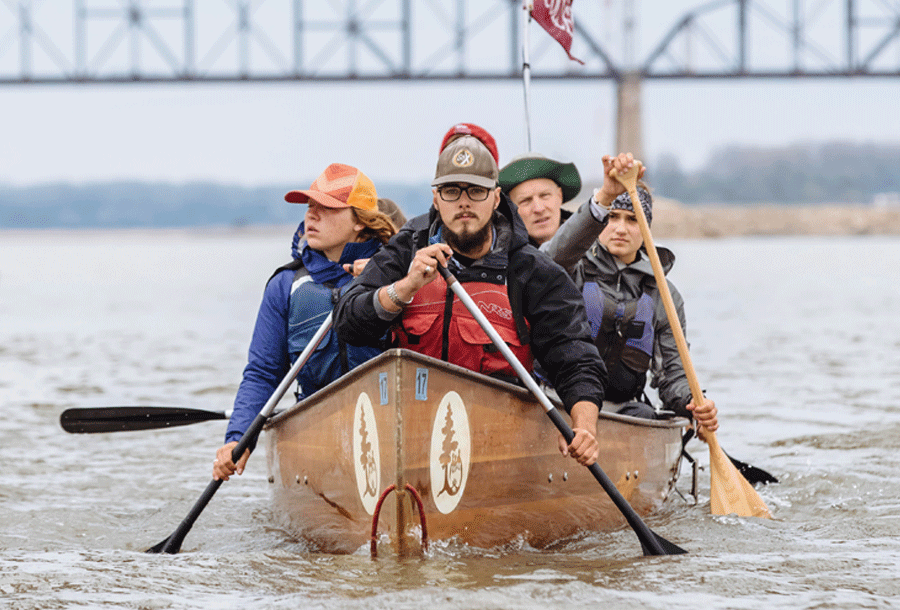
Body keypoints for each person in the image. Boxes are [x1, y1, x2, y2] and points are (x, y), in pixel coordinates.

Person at [334, 133, 609, 466]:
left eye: (476, 191)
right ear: (436, 199)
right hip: (410, 429)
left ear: (495, 198)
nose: (464, 202)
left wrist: (584, 429)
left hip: (496, 438)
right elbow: (348, 321)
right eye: (452, 191)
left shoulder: (531, 269)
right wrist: (405, 287)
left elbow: (576, 359)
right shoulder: (405, 249)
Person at [213, 163, 399, 481]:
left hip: (389, 425)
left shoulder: (398, 276)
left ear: (360, 222)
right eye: (310, 206)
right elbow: (263, 373)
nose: (311, 215)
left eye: (326, 207)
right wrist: (238, 436)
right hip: (318, 429)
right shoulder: (284, 286)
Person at [536, 153, 718, 433]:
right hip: (557, 400)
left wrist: (694, 403)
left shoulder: (665, 296)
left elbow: (672, 374)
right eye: (612, 217)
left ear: (645, 230)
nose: (621, 228)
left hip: (623, 411)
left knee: (648, 413)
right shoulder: (571, 268)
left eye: (632, 220)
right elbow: (548, 260)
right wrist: (603, 199)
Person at [498, 152, 583, 246]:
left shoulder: (594, 240)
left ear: (560, 196)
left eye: (545, 195)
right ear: (510, 210)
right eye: (525, 200)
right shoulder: (501, 256)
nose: (539, 209)